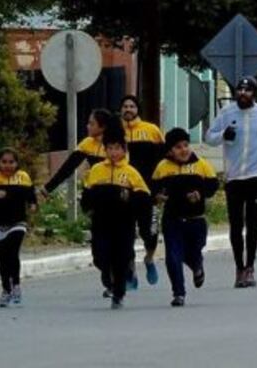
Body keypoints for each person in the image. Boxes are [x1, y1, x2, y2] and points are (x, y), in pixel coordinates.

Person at [204, 76, 257, 289]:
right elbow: (209, 136)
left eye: (247, 90)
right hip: (234, 176)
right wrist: (223, 134)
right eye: (240, 90)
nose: (243, 94)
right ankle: (238, 267)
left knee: (253, 223)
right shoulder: (227, 112)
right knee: (236, 224)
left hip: (255, 174)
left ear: (254, 93)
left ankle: (250, 267)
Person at [81, 118, 151, 310]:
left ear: (124, 149)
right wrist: (87, 206)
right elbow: (88, 193)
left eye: (117, 148)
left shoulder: (131, 173)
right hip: (101, 222)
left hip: (124, 223)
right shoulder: (96, 170)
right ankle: (108, 274)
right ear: (105, 150)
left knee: (121, 257)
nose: (113, 152)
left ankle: (118, 292)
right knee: (100, 256)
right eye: (109, 148)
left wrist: (129, 197)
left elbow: (144, 198)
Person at [151, 128, 219, 307]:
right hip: (172, 219)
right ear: (170, 150)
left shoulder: (201, 164)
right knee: (173, 256)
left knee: (194, 251)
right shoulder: (162, 167)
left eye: (186, 145)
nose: (183, 150)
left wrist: (200, 193)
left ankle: (197, 265)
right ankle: (178, 293)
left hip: (196, 219)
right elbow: (154, 189)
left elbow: (213, 185)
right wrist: (158, 197)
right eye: (178, 147)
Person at [0, 148, 37, 307]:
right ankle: (6, 289)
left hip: (18, 223)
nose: (8, 166)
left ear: (17, 163)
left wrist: (32, 204)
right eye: (4, 162)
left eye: (11, 162)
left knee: (12, 252)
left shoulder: (23, 177)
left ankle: (16, 285)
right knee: (3, 259)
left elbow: (31, 194)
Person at [120, 95, 164, 287]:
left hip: (149, 191)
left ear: (138, 109)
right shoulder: (116, 132)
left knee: (150, 233)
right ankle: (131, 273)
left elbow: (163, 160)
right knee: (126, 235)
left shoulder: (151, 131)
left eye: (131, 106)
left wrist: (161, 189)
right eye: (125, 106)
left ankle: (149, 258)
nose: (128, 109)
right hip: (125, 192)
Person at [40, 109, 111, 197]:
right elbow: (68, 167)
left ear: (103, 127)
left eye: (92, 124)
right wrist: (48, 188)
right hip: (95, 190)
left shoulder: (115, 145)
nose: (87, 126)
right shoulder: (88, 143)